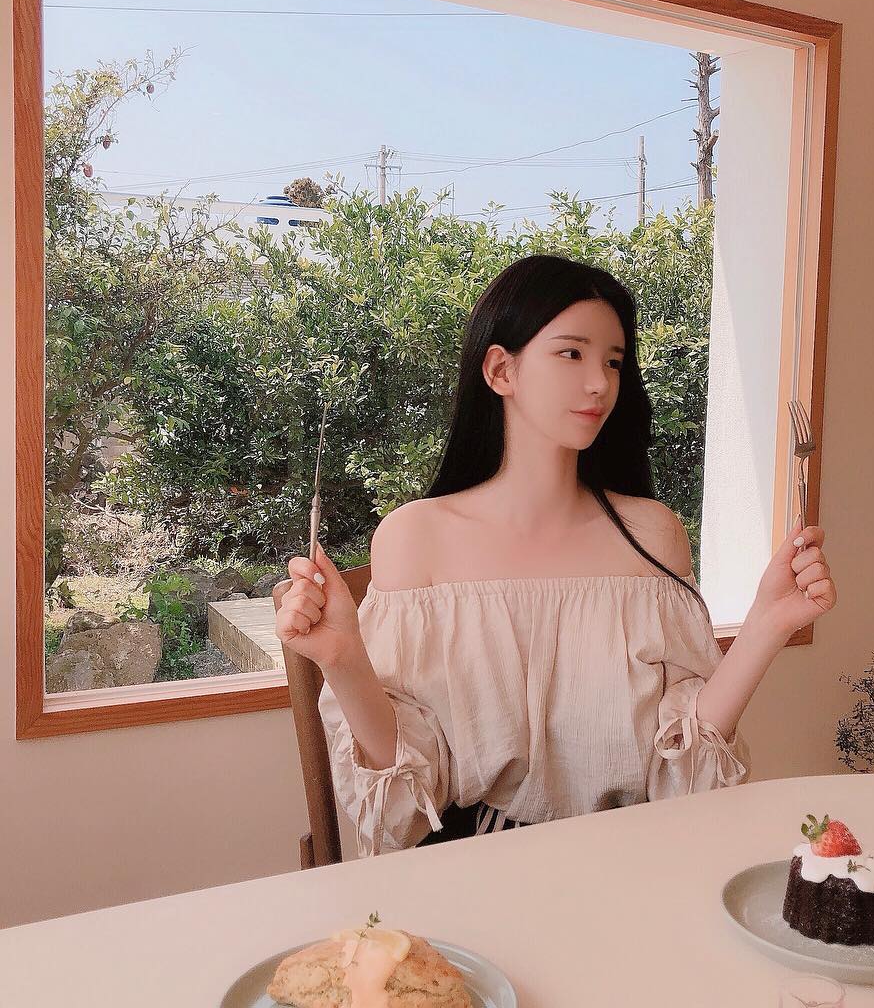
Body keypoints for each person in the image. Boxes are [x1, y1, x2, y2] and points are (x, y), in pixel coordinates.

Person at [275, 254, 836, 856]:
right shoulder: (415, 538)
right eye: (572, 353)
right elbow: (410, 799)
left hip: (631, 861)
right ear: (501, 370)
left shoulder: (652, 534)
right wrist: (343, 658)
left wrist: (766, 624)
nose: (600, 383)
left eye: (614, 361)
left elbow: (681, 767)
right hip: (474, 871)